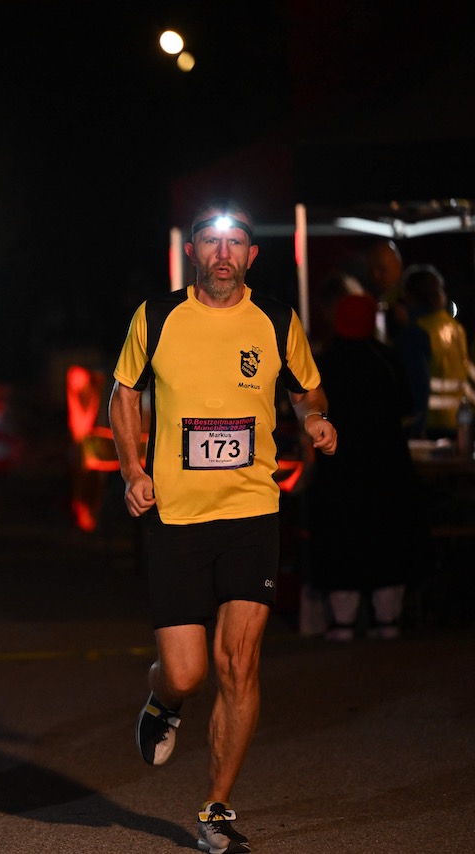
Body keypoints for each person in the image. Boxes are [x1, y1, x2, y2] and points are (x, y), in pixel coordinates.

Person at [109, 199, 337, 854]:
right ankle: (163, 704)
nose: (223, 252)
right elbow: (124, 390)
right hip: (178, 517)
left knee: (237, 663)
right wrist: (131, 468)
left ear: (252, 257)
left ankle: (216, 809)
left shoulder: (275, 319)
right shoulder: (157, 317)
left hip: (250, 511)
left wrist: (314, 418)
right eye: (212, 241)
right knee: (185, 673)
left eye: (236, 242)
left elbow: (307, 388)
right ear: (194, 252)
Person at [305, 293, 430, 640]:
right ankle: (386, 619)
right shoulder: (385, 358)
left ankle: (342, 623)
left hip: (338, 469)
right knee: (387, 542)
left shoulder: (325, 362)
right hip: (387, 468)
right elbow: (408, 404)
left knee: (341, 543)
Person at [403, 263, 475, 440]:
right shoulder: (457, 329)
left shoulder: (416, 332)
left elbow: (418, 386)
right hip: (461, 422)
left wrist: (413, 427)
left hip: (429, 427)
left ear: (410, 297)